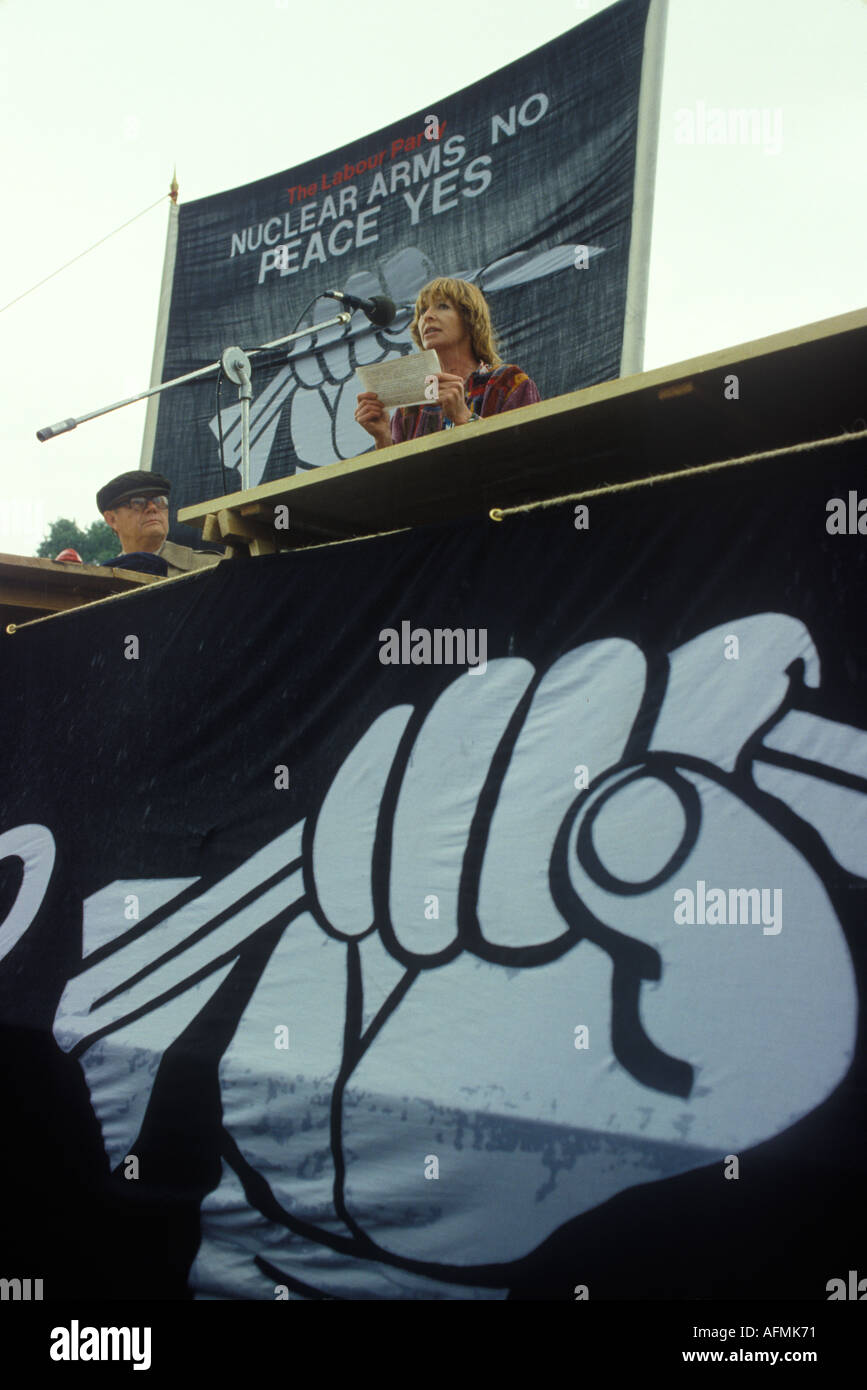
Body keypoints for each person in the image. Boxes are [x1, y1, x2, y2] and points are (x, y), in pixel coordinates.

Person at [354, 277, 540, 449]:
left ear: (470, 319)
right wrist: (383, 437)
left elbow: (528, 455)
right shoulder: (410, 407)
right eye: (422, 311)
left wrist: (464, 418)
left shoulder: (507, 381)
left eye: (442, 306)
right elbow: (397, 482)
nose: (427, 316)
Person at [96, 471, 224, 578]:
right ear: (112, 519)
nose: (152, 508)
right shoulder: (99, 580)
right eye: (138, 502)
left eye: (159, 500)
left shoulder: (213, 567)